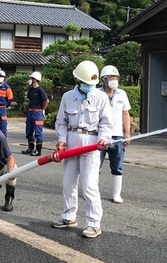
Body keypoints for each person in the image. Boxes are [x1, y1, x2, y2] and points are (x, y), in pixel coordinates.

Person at [52, 60, 113, 238]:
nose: (89, 87)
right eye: (86, 84)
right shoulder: (67, 97)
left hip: (91, 143)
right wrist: (62, 140)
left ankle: (94, 223)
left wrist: (103, 139)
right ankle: (68, 216)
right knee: (68, 183)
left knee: (89, 186)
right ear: (78, 81)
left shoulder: (101, 97)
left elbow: (106, 123)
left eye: (92, 84)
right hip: (71, 142)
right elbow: (61, 122)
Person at [98, 65, 131, 204]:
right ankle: (93, 191)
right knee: (95, 165)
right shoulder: (97, 94)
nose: (115, 80)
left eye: (116, 78)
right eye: (112, 78)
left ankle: (116, 194)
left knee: (117, 166)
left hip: (117, 136)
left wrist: (127, 132)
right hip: (100, 135)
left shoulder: (121, 94)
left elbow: (125, 113)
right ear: (104, 79)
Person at [21, 71, 49, 156]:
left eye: (31, 78)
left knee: (38, 132)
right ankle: (30, 148)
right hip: (30, 112)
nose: (30, 80)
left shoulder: (40, 90)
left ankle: (38, 150)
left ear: (35, 80)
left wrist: (42, 109)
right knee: (29, 130)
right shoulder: (30, 90)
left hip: (37, 113)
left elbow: (46, 101)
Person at [0, 70, 14, 136]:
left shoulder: (7, 87)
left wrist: (6, 105)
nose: (0, 78)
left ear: (4, 77)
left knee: (3, 125)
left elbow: (10, 98)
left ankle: (3, 141)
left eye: (1, 76)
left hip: (2, 109)